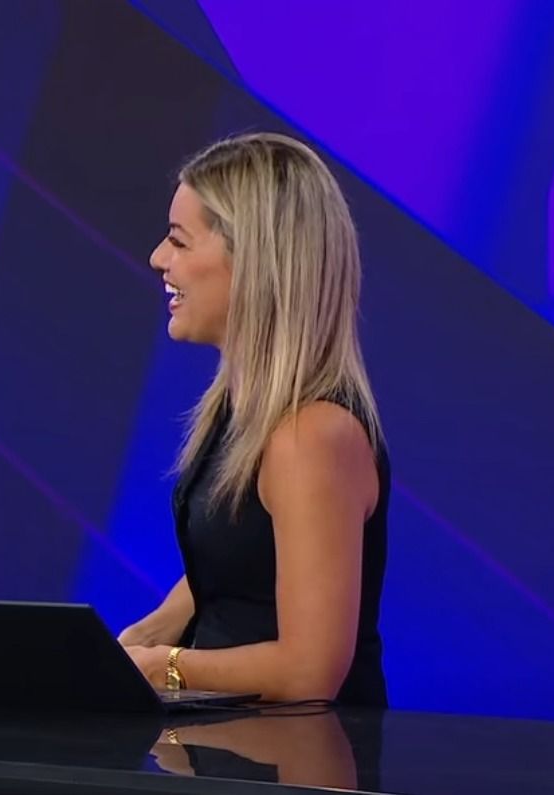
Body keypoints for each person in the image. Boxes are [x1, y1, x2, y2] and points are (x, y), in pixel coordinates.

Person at [119, 132, 390, 707]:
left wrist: (165, 667)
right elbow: (241, 562)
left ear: (254, 262)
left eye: (179, 241)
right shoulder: (241, 413)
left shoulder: (311, 437)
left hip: (296, 753)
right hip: (230, 742)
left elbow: (309, 672)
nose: (159, 258)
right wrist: (138, 640)